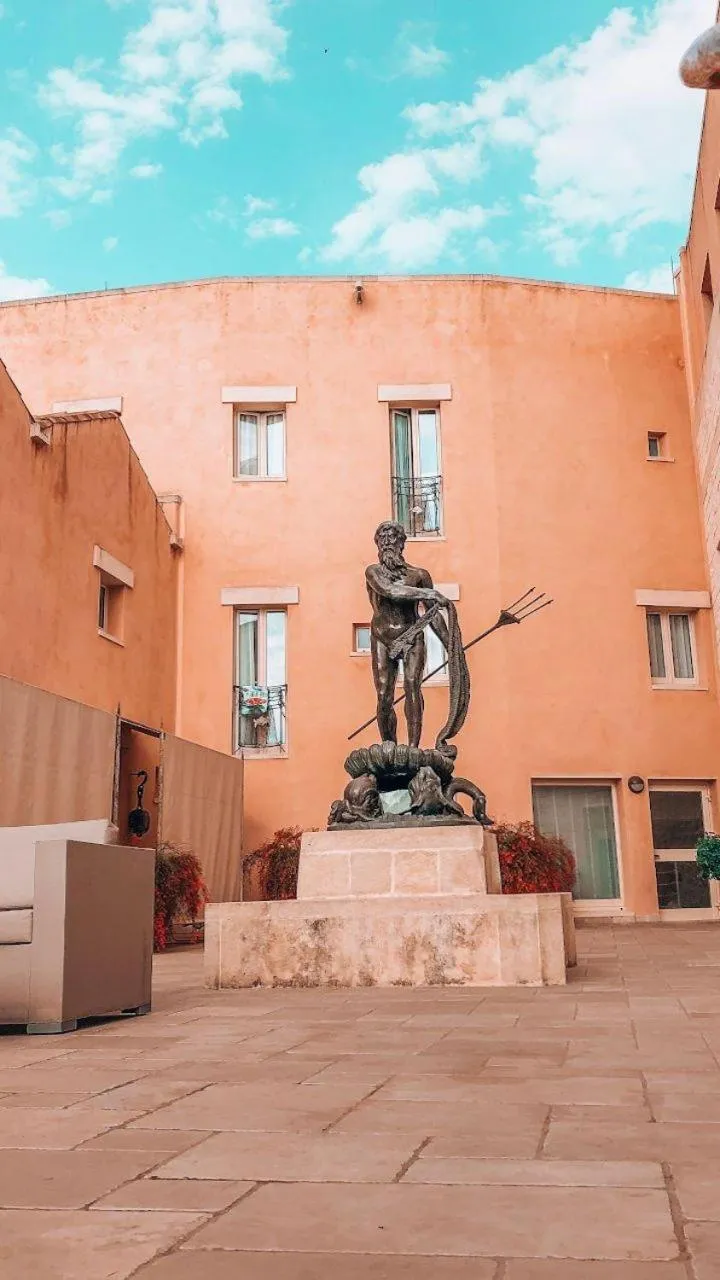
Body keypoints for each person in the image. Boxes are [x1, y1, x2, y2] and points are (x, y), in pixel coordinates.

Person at [365, 521, 452, 747]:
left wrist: (449, 644)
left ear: (401, 543)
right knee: (384, 695)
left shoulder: (419, 575)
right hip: (382, 637)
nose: (386, 542)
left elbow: (432, 613)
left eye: (391, 537)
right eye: (381, 538)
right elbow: (390, 591)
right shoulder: (373, 572)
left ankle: (413, 747)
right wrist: (430, 593)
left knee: (413, 685)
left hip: (412, 636)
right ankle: (389, 745)